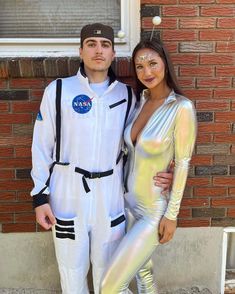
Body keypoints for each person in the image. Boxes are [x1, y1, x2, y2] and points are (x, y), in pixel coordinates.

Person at [30, 24, 172, 294]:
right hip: (67, 193)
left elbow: (147, 145)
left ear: (113, 53)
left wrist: (169, 171)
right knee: (71, 271)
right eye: (92, 44)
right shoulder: (59, 91)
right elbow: (41, 146)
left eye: (105, 44)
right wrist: (39, 196)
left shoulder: (128, 96)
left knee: (109, 274)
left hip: (110, 194)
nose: (98, 50)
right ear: (80, 51)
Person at [100, 39, 197, 294]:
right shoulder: (139, 99)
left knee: (109, 287)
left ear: (165, 63)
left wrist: (172, 215)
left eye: (153, 63)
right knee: (144, 275)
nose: (147, 72)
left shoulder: (181, 107)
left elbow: (184, 161)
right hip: (125, 204)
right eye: (140, 66)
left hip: (153, 211)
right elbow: (131, 152)